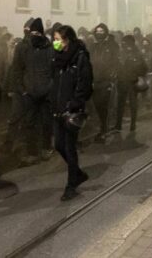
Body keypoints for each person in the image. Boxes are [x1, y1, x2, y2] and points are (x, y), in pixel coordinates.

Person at [50, 25, 93, 201]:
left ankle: (71, 185)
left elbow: (86, 83)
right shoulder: (57, 58)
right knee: (58, 145)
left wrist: (75, 103)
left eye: (58, 39)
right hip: (58, 108)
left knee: (69, 146)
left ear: (67, 40)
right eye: (54, 39)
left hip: (71, 109)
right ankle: (77, 174)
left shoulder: (80, 57)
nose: (55, 42)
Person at [8, 18, 53, 163]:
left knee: (47, 122)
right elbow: (16, 70)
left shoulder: (50, 47)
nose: (34, 35)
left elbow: (55, 69)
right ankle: (32, 152)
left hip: (46, 93)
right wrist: (23, 90)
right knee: (29, 123)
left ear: (41, 33)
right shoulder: (22, 47)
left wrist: (51, 87)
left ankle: (46, 148)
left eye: (37, 33)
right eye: (31, 32)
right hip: (29, 93)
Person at [90, 23, 119, 142]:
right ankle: (103, 126)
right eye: (97, 31)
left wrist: (113, 76)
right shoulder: (93, 46)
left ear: (105, 32)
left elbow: (116, 62)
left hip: (107, 80)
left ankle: (104, 129)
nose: (99, 33)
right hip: (95, 80)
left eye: (102, 31)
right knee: (98, 105)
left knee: (105, 105)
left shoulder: (111, 46)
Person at [115, 35, 147, 132]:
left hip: (132, 82)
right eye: (124, 43)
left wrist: (137, 73)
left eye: (127, 42)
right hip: (121, 81)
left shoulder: (137, 54)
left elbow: (144, 68)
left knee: (133, 104)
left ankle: (132, 124)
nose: (125, 45)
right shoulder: (120, 53)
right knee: (120, 104)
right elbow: (116, 65)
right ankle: (118, 124)